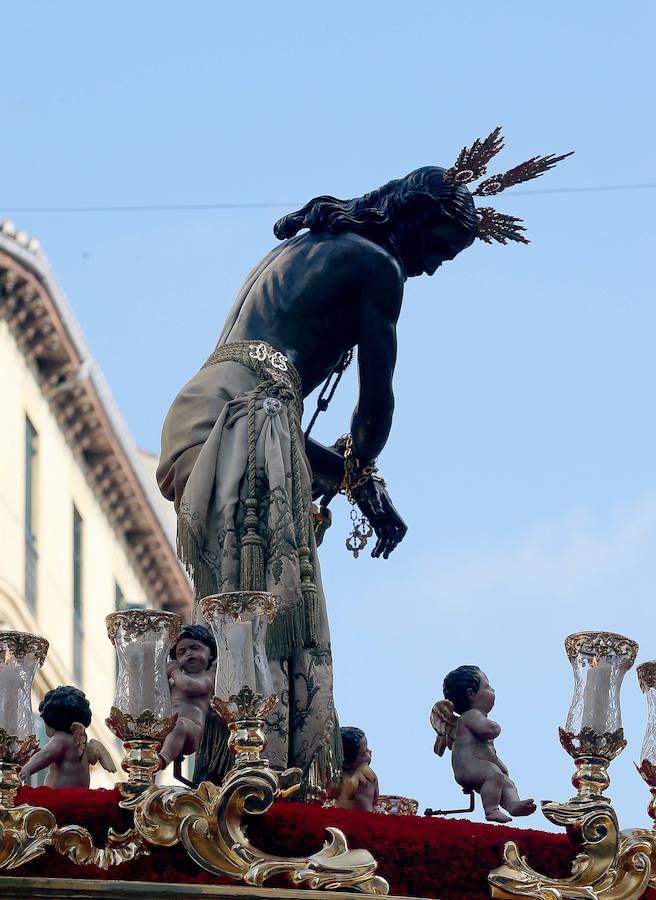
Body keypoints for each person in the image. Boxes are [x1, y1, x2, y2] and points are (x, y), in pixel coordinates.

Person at [157, 131, 571, 796]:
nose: (432, 269)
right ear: (416, 223)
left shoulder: (299, 249)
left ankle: (235, 764)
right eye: (438, 251)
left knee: (235, 594)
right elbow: (374, 408)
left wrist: (348, 482)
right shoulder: (376, 268)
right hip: (251, 421)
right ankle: (266, 772)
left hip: (203, 413)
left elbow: (275, 408)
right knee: (271, 605)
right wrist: (368, 481)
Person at [431, 666, 536, 823]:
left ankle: (512, 804)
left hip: (478, 764)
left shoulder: (465, 719)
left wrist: (500, 765)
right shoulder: (471, 716)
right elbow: (488, 730)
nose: (493, 690)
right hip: (469, 767)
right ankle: (491, 809)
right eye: (487, 687)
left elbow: (488, 753)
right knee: (494, 776)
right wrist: (496, 727)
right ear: (471, 694)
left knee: (506, 782)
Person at [20, 686, 115, 788]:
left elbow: (46, 755)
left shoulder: (60, 740)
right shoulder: (84, 744)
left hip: (59, 795)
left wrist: (27, 769)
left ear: (51, 720)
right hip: (81, 793)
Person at [159, 624, 216, 769]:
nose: (188, 654)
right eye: (181, 652)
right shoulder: (175, 680)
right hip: (169, 727)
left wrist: (175, 672)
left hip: (192, 730)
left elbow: (188, 687)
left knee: (180, 724)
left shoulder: (206, 678)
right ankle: (147, 771)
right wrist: (163, 675)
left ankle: (163, 759)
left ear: (210, 653)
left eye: (195, 648)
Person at [334, 726, 379, 812]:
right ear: (347, 763)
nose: (370, 751)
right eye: (364, 752)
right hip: (364, 820)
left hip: (340, 820)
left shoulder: (335, 780)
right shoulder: (369, 778)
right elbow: (375, 800)